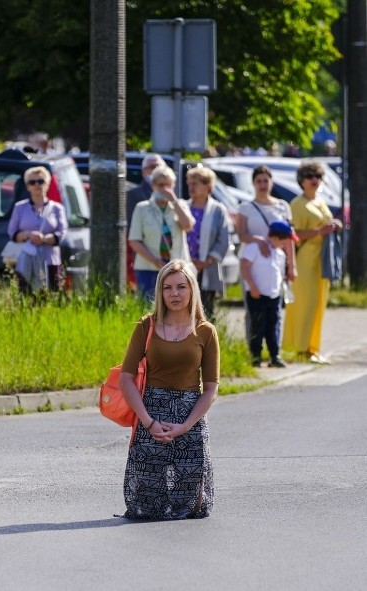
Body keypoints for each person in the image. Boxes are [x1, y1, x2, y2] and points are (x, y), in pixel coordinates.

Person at [118, 259, 218, 519]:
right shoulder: (145, 326)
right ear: (160, 292)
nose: (174, 294)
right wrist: (148, 422)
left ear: (192, 290)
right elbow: (126, 378)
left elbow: (210, 388)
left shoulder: (206, 332)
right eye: (168, 287)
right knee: (146, 504)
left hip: (190, 417)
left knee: (190, 505)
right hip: (151, 413)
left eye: (181, 287)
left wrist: (186, 426)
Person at [282, 161, 343, 364]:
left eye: (317, 176)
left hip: (322, 259)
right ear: (302, 181)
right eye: (310, 177)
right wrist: (319, 231)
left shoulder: (320, 201)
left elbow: (325, 224)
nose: (314, 180)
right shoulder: (298, 204)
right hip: (306, 258)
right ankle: (298, 348)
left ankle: (312, 347)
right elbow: (294, 233)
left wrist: (335, 225)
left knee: (318, 303)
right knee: (304, 305)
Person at [235, 166, 295, 342]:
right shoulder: (246, 207)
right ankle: (253, 347)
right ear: (253, 183)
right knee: (253, 307)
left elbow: (289, 238)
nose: (262, 184)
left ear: (271, 182)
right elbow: (241, 234)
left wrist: (292, 265)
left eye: (265, 180)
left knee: (274, 307)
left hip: (275, 262)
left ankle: (274, 349)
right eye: (258, 181)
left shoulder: (282, 207)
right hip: (251, 262)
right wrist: (259, 240)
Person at [128, 165, 195, 300]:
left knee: (175, 306)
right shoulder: (142, 208)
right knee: (148, 308)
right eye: (160, 185)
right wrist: (154, 260)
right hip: (148, 268)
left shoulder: (180, 205)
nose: (164, 189)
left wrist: (174, 201)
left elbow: (188, 226)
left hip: (177, 268)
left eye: (168, 185)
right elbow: (134, 240)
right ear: (153, 185)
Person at [241, 221, 296, 368]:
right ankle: (255, 356)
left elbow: (278, 273)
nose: (287, 244)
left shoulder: (279, 254)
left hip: (274, 295)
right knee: (257, 325)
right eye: (285, 240)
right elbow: (244, 266)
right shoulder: (255, 248)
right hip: (257, 294)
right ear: (277, 238)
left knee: (274, 326)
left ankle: (274, 355)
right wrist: (252, 285)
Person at [6, 166, 67, 292]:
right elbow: (12, 232)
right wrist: (28, 235)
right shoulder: (20, 207)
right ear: (28, 186)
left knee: (50, 297)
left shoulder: (57, 208)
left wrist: (44, 239)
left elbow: (63, 233)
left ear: (47, 184)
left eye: (41, 181)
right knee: (25, 297)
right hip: (25, 261)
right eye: (32, 182)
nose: (37, 185)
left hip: (50, 261)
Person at [185, 166, 231, 321]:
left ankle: (206, 344)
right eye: (189, 183)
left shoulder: (218, 210)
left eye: (195, 183)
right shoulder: (183, 207)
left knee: (205, 313)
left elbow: (223, 240)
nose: (191, 187)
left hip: (207, 267)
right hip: (184, 266)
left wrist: (207, 261)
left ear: (208, 186)